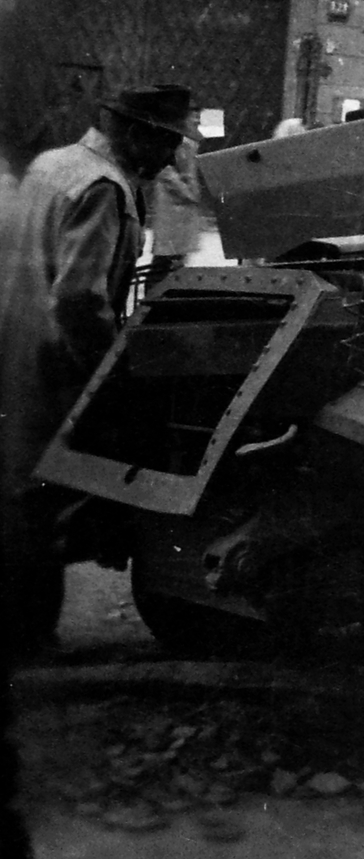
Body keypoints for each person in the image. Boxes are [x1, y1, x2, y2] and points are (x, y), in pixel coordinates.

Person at [0, 84, 197, 649]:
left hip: (16, 345)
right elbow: (79, 300)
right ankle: (28, 641)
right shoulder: (103, 188)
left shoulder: (49, 164)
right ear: (136, 135)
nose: (170, 160)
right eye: (167, 145)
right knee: (37, 502)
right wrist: (113, 374)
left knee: (16, 492)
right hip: (54, 364)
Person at [146, 108, 207, 286]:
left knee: (177, 257)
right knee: (166, 258)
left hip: (184, 209)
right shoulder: (174, 141)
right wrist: (186, 191)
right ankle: (155, 295)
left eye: (198, 116)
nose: (196, 120)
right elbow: (164, 170)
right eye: (192, 116)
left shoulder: (190, 141)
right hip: (173, 208)